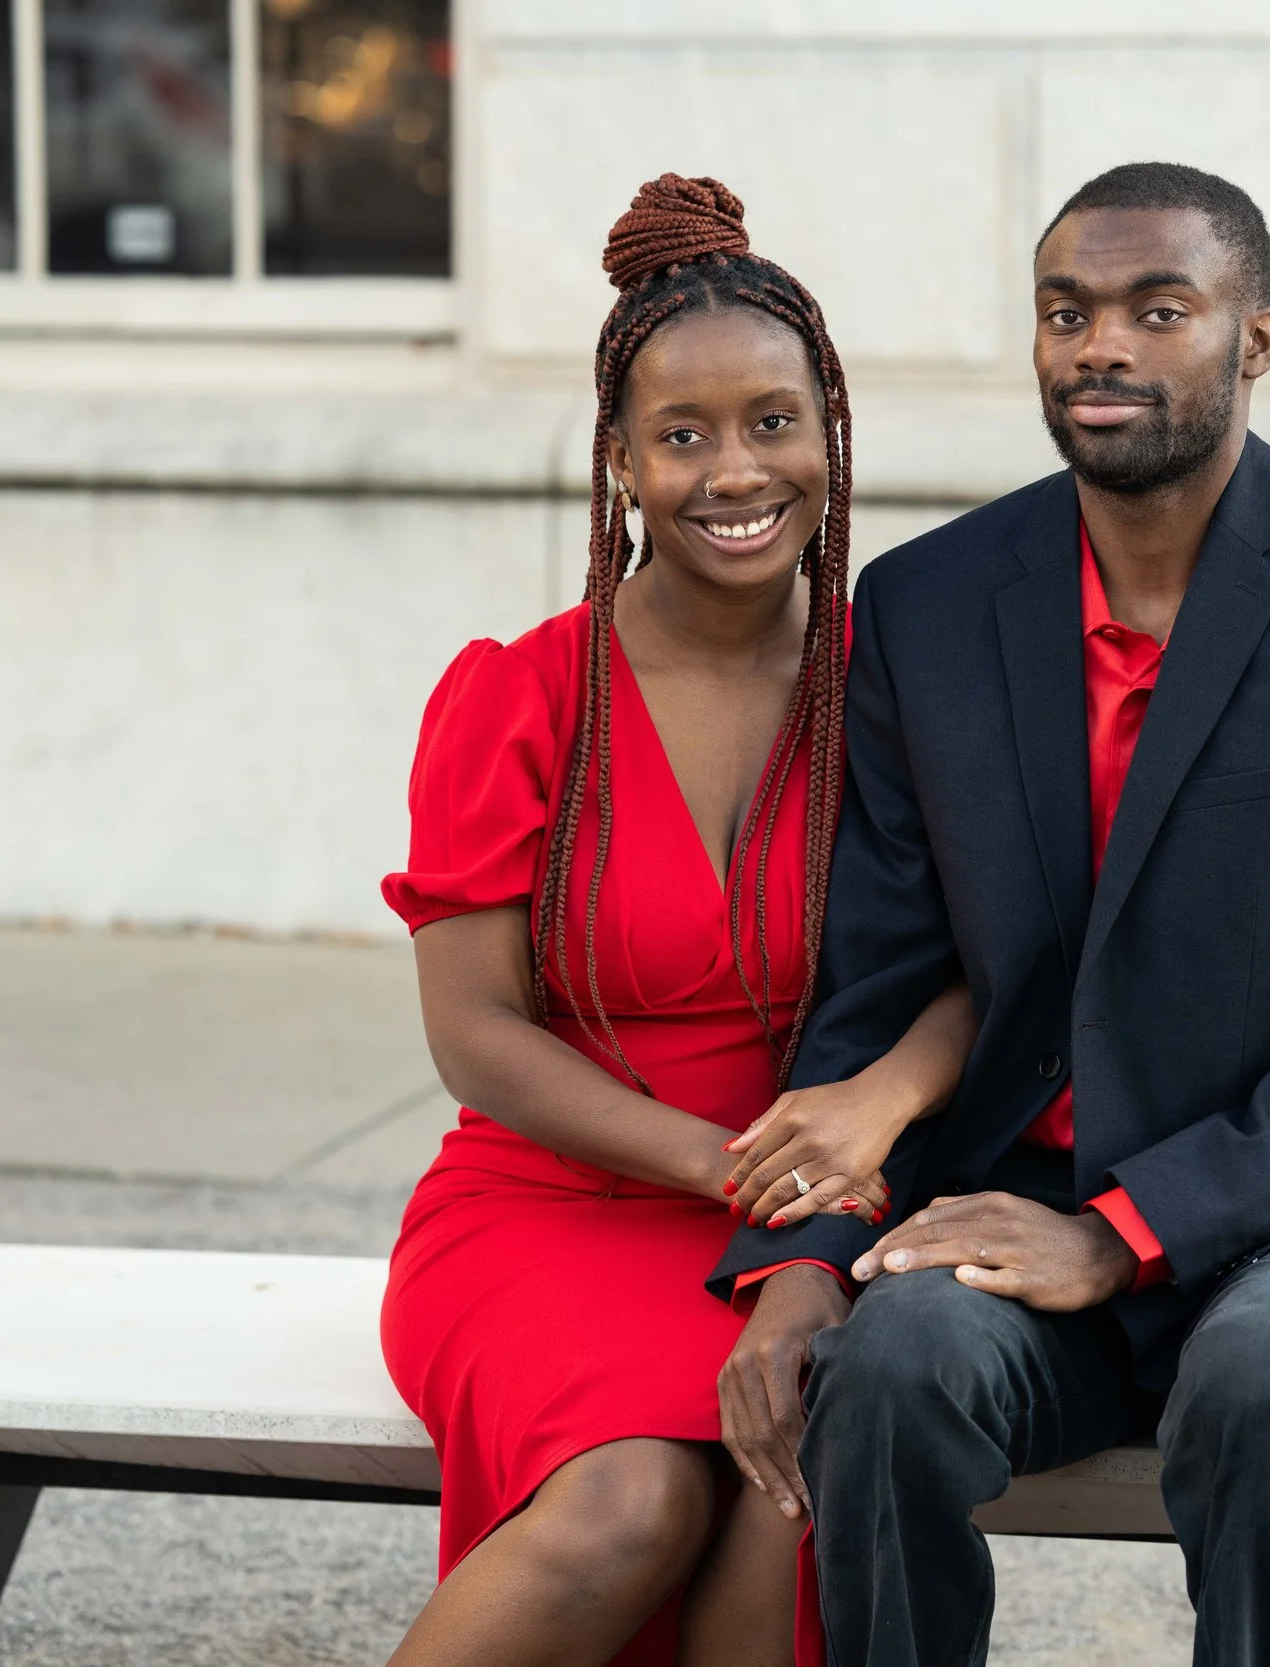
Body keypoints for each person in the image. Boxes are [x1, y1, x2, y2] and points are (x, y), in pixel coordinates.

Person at [710, 161, 1270, 1666]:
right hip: (1015, 1196)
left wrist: (1127, 1231)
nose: (1104, 348)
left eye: (1161, 310)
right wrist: (807, 1253)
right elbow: (880, 981)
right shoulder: (928, 602)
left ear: (1256, 340)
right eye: (1066, 311)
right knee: (887, 1371)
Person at [374, 175, 973, 1667]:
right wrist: (727, 1163)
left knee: (781, 1505)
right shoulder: (517, 697)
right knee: (630, 1501)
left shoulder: (897, 694)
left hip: (811, 1223)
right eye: (682, 434)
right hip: (549, 1206)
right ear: (621, 463)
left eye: (773, 420)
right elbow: (475, 1035)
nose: (734, 470)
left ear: (829, 431)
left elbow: (980, 975)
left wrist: (839, 1163)